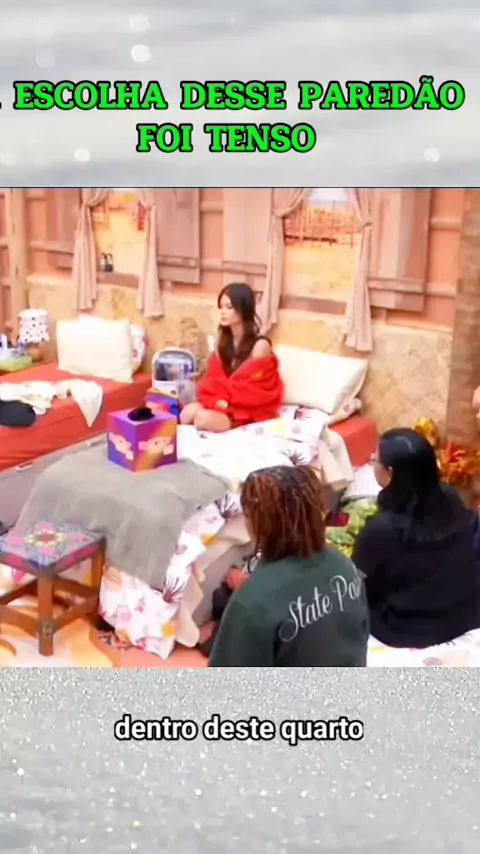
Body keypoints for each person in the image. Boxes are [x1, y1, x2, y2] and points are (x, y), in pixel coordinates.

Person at [208, 465, 369, 667]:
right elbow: (362, 632)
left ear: (258, 522)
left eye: (247, 515)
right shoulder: (343, 564)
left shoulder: (251, 602)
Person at [352, 428, 480, 649]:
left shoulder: (383, 529)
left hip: (411, 627)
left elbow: (356, 580)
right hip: (465, 612)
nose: (371, 462)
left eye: (374, 459)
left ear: (390, 473)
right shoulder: (451, 497)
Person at [180, 282, 284, 432]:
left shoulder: (260, 347)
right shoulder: (222, 343)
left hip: (246, 411)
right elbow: (213, 380)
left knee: (202, 418)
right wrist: (217, 400)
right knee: (187, 412)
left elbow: (255, 391)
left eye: (229, 307)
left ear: (244, 309)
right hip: (221, 403)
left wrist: (225, 400)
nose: (223, 312)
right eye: (221, 307)